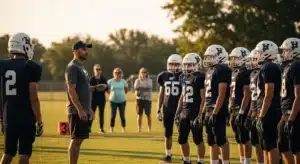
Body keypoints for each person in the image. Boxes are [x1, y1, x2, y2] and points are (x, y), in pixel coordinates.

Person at [0, 33, 43, 164]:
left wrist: (2, 118)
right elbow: (33, 97)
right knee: (24, 154)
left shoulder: (3, 65)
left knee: (8, 153)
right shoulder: (30, 67)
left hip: (9, 116)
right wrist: (39, 120)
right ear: (24, 46)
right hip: (25, 117)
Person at [65, 40, 95, 164]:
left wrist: (89, 109)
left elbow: (84, 89)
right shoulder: (72, 67)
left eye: (86, 49)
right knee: (75, 140)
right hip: (76, 111)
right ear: (76, 51)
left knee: (80, 140)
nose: (86, 52)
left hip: (84, 110)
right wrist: (80, 109)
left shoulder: (81, 67)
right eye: (84, 49)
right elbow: (71, 89)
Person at [175, 53, 205, 164]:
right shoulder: (183, 77)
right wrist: (177, 112)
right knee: (181, 139)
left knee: (198, 140)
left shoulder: (200, 77)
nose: (187, 67)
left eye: (190, 65)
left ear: (197, 64)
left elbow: (204, 98)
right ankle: (186, 161)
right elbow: (182, 97)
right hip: (184, 113)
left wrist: (200, 115)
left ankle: (200, 161)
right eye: (185, 65)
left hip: (195, 112)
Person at [203, 44, 231, 164]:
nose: (208, 59)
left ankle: (225, 162)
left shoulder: (222, 69)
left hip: (217, 109)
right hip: (209, 108)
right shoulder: (210, 70)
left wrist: (215, 113)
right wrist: (204, 111)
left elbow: (222, 93)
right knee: (211, 141)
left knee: (221, 139)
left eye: (211, 57)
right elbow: (207, 95)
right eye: (207, 57)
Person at [255, 40, 282, 164]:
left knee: (270, 145)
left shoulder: (268, 67)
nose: (258, 55)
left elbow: (268, 94)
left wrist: (262, 114)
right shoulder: (271, 66)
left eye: (260, 53)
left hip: (270, 111)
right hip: (271, 109)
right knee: (266, 145)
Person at [157, 54, 182, 163]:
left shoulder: (184, 75)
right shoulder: (163, 76)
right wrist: (158, 109)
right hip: (167, 109)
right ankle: (168, 155)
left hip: (180, 110)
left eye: (176, 64)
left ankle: (184, 157)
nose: (173, 66)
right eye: (171, 64)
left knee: (182, 134)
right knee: (168, 134)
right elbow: (161, 94)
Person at [228, 47, 252, 164]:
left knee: (245, 138)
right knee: (239, 138)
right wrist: (230, 107)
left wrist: (242, 111)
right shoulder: (234, 72)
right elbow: (231, 93)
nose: (233, 60)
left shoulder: (245, 73)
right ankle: (242, 160)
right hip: (234, 108)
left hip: (242, 108)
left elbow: (247, 94)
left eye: (236, 58)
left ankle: (246, 162)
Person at [280, 37, 300, 163]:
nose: (284, 53)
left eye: (286, 50)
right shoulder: (289, 67)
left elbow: (299, 95)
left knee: (296, 148)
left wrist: (291, 119)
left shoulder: (297, 66)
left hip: (294, 114)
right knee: (282, 146)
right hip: (286, 112)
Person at [244, 49, 264, 164]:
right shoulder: (253, 73)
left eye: (254, 59)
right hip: (254, 110)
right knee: (256, 142)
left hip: (262, 110)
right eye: (251, 59)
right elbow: (253, 96)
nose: (252, 62)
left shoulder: (263, 72)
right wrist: (249, 113)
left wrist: (258, 112)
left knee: (265, 143)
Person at [107, 68, 128, 133]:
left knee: (122, 115)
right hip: (113, 101)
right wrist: (112, 94)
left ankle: (123, 129)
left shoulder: (124, 81)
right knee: (113, 115)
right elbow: (107, 90)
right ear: (113, 74)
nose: (117, 74)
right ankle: (111, 129)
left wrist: (120, 94)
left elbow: (126, 90)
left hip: (122, 101)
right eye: (116, 72)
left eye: (119, 73)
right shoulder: (110, 81)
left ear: (121, 74)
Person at [89, 64, 108, 133]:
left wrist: (105, 87)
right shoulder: (91, 79)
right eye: (96, 69)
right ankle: (89, 128)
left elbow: (107, 88)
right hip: (93, 99)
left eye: (99, 69)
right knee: (91, 113)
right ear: (94, 70)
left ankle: (101, 128)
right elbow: (89, 89)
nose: (98, 70)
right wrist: (97, 87)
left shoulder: (103, 79)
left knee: (101, 114)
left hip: (102, 99)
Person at [134, 67, 152, 132]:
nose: (143, 73)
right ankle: (139, 129)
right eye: (142, 72)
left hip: (147, 99)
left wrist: (140, 88)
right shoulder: (137, 81)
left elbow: (149, 88)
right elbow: (136, 88)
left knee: (148, 114)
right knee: (139, 114)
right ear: (140, 73)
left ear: (147, 73)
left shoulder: (149, 80)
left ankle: (149, 129)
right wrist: (143, 88)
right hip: (139, 99)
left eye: (144, 72)